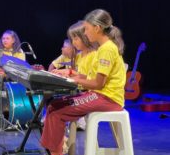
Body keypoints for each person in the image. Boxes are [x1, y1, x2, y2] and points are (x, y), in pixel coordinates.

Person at [41, 9, 126, 155]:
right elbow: (89, 79)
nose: (85, 33)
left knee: (57, 111)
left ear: (97, 28)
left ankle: (56, 151)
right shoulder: (103, 48)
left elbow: (98, 84)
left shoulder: (107, 49)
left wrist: (72, 80)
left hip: (108, 98)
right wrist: (70, 76)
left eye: (86, 29)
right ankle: (55, 149)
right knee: (54, 106)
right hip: (100, 95)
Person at [52, 21, 97, 131]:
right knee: (53, 105)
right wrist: (69, 72)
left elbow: (92, 80)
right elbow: (83, 74)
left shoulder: (94, 55)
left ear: (85, 37)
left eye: (75, 39)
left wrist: (72, 76)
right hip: (84, 92)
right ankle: (57, 145)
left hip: (91, 94)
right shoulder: (81, 55)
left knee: (57, 108)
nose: (73, 42)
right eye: (72, 39)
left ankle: (58, 145)